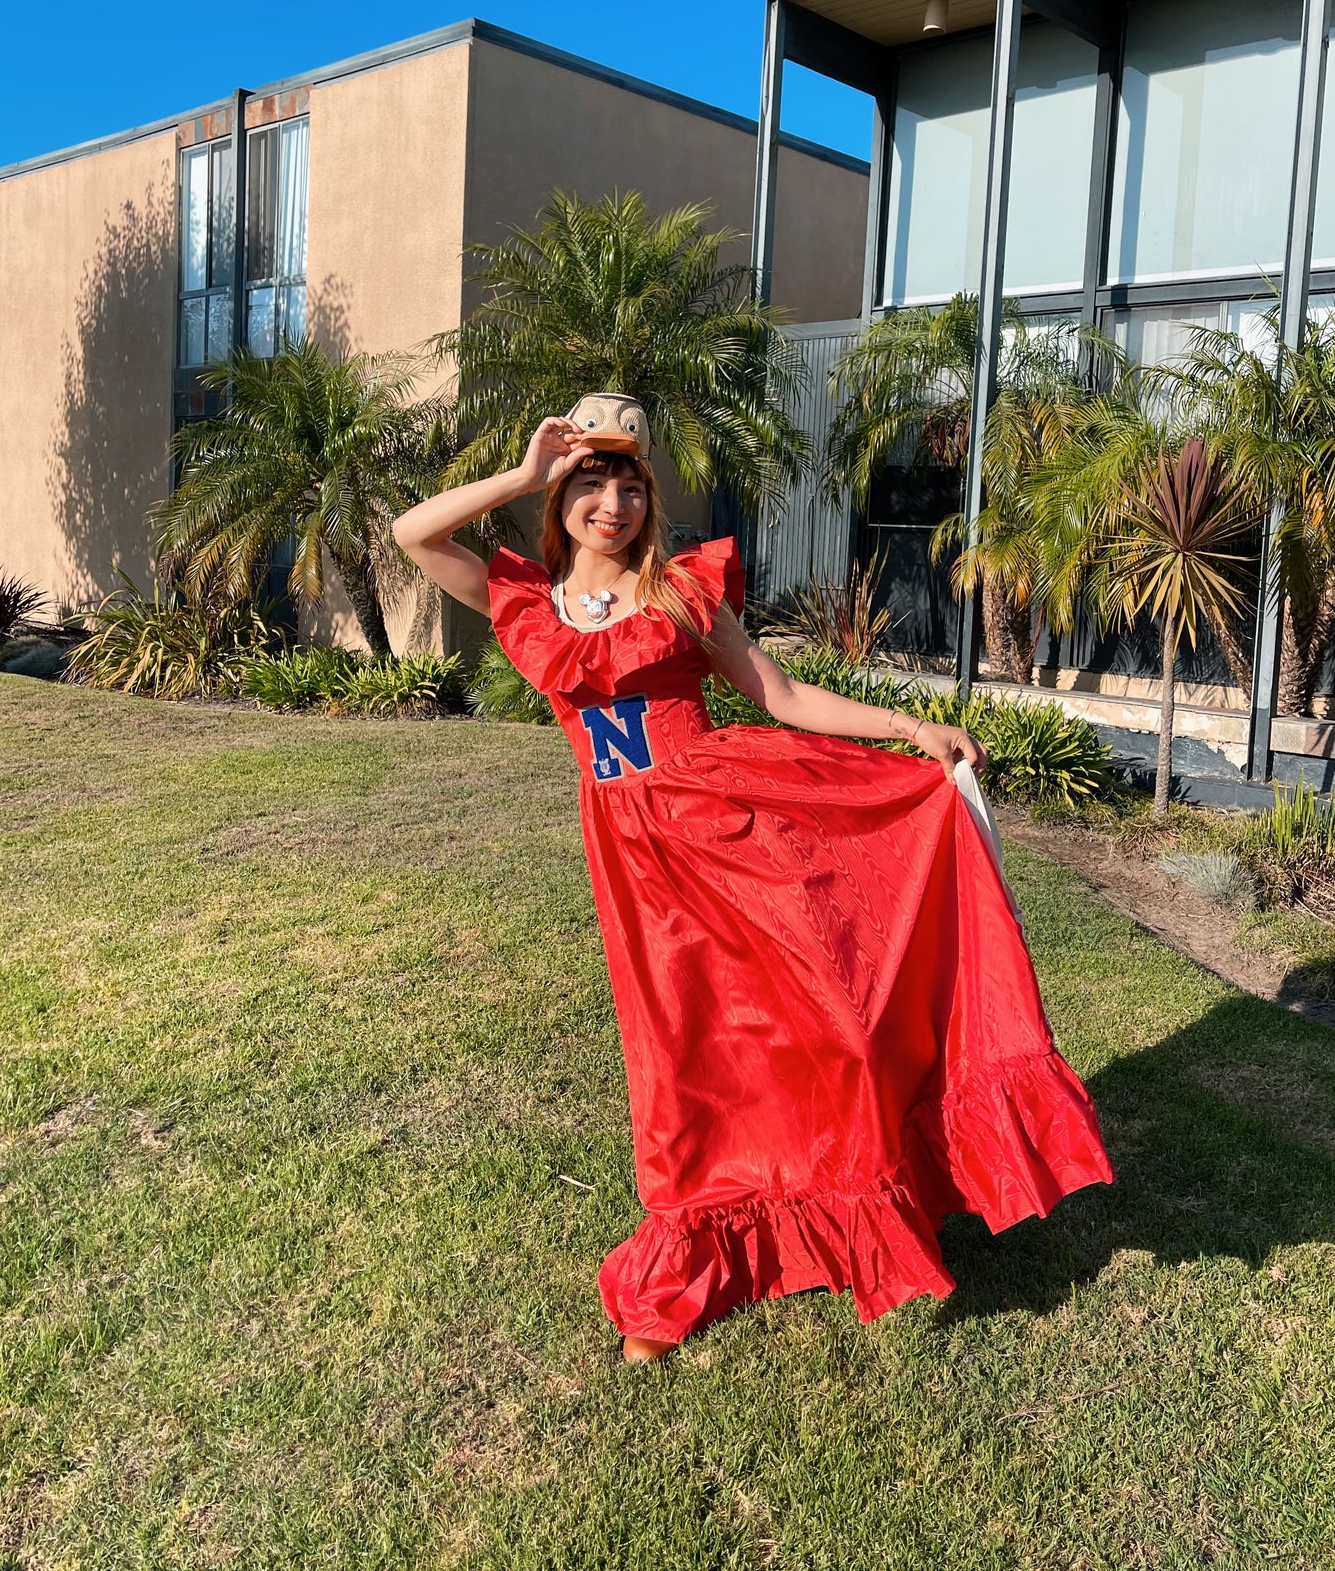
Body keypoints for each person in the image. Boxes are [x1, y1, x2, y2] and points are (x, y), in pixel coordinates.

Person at [393, 400, 1113, 1363]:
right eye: (592, 483)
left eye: (631, 485)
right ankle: (699, 1258)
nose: (614, 503)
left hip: (735, 827)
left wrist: (909, 732)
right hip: (638, 861)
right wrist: (521, 471)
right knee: (688, 1061)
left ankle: (887, 1185)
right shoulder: (524, 599)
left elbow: (779, 695)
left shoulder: (682, 593)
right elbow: (414, 533)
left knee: (832, 1022)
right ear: (561, 497)